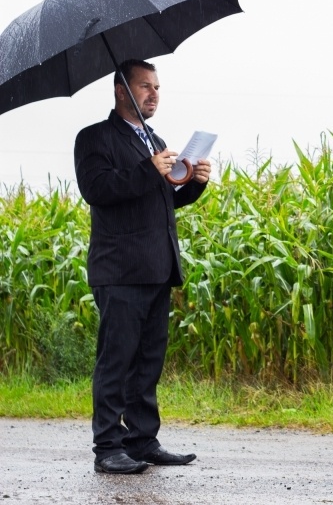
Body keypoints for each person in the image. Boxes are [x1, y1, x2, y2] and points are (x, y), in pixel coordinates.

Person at [74, 59, 212, 474]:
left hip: (157, 267)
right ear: (122, 91)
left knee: (148, 362)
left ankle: (142, 441)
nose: (154, 94)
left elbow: (162, 200)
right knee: (116, 361)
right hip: (120, 270)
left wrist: (195, 184)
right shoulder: (94, 138)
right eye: (145, 86)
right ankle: (107, 447)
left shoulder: (156, 140)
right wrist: (146, 169)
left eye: (157, 87)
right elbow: (96, 189)